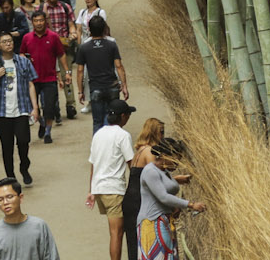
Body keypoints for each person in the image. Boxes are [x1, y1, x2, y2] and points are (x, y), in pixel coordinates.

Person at [135, 140, 205, 260]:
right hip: (152, 222)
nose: (177, 164)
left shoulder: (164, 171)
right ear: (165, 156)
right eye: (175, 160)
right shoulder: (150, 171)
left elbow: (162, 185)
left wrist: (177, 180)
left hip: (164, 222)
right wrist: (191, 205)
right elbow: (163, 197)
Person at [85, 100, 137, 260]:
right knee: (117, 233)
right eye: (128, 114)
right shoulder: (123, 135)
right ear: (123, 116)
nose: (128, 118)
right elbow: (132, 164)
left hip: (99, 188)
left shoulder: (98, 134)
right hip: (114, 190)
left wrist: (91, 190)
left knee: (114, 231)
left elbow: (93, 163)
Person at [0, 32, 39, 185]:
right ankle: (11, 177)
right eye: (4, 42)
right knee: (7, 147)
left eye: (10, 41)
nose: (8, 44)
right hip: (2, 112)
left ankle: (24, 166)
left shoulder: (23, 62)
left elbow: (31, 84)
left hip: (21, 109)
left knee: (24, 141)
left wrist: (35, 107)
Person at [0, 179, 60, 260]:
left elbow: (51, 256)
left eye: (9, 197)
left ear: (21, 198)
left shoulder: (39, 226)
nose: (5, 202)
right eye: (0, 200)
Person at [75, 15, 129, 131]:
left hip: (95, 87)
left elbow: (80, 71)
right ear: (104, 28)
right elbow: (119, 66)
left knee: (97, 121)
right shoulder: (111, 44)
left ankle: (98, 146)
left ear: (89, 29)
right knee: (112, 118)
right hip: (112, 86)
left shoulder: (84, 47)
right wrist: (124, 85)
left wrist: (80, 91)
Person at [20, 11, 66, 143]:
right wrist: (26, 60)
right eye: (36, 21)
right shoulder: (27, 38)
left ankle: (48, 132)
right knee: (32, 106)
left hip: (50, 78)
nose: (39, 23)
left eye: (41, 20)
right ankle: (41, 121)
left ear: (45, 21)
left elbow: (61, 54)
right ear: (32, 22)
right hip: (32, 79)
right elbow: (21, 53)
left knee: (50, 107)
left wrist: (66, 72)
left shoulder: (53, 37)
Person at [123, 119, 165, 260]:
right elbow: (157, 179)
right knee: (141, 242)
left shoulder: (140, 150)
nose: (163, 136)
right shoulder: (149, 152)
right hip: (138, 201)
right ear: (153, 133)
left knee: (132, 243)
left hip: (130, 199)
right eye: (161, 132)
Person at [39, 0, 76, 122]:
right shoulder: (42, 9)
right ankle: (54, 108)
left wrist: (72, 35)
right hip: (47, 49)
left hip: (64, 48)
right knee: (51, 78)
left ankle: (71, 105)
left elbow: (71, 24)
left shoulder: (65, 7)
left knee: (67, 75)